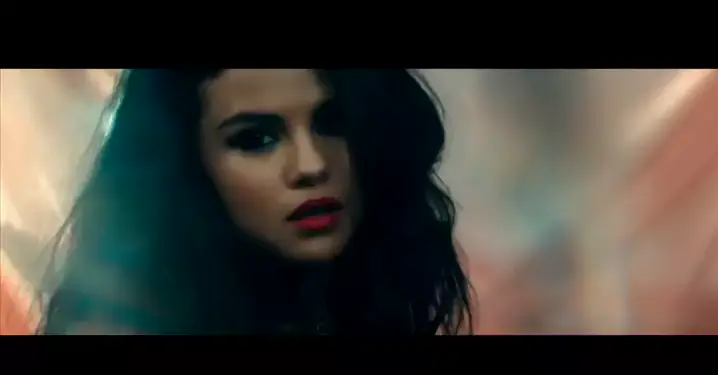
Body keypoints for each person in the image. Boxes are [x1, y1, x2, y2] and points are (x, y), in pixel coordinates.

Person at [40, 69, 475, 335]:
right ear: (186, 165)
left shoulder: (352, 302)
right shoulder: (122, 326)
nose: (311, 165)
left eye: (332, 123)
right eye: (256, 139)